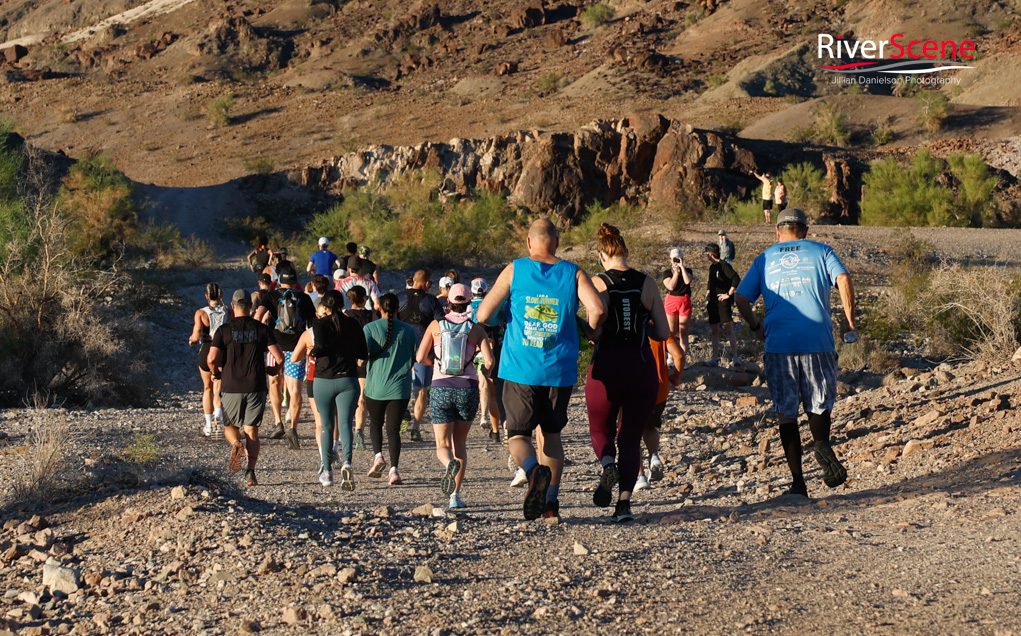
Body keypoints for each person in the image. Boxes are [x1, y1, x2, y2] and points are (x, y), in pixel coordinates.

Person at [476, 218, 606, 521]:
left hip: (520, 368)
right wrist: (591, 331)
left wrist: (499, 320)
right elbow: (597, 308)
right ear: (557, 242)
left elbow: (484, 313)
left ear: (529, 242)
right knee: (552, 434)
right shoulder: (573, 272)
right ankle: (550, 503)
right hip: (558, 370)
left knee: (518, 435)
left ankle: (533, 472)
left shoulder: (515, 269)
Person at [735, 208, 857, 497]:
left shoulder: (764, 258)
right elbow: (843, 279)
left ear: (777, 232)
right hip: (818, 341)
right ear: (805, 230)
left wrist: (755, 326)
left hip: (779, 345)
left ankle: (798, 485)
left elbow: (741, 297)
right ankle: (821, 443)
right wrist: (850, 322)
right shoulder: (822, 251)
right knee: (818, 403)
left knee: (786, 413)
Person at [585, 223, 670, 522]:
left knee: (600, 429)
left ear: (601, 256)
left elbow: (594, 334)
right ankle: (624, 504)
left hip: (606, 367)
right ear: (626, 252)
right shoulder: (647, 283)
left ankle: (608, 465)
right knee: (631, 439)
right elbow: (663, 331)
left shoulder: (596, 283)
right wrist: (639, 324)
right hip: (641, 366)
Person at [416, 283, 494, 509]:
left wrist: (436, 365)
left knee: (442, 443)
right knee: (459, 441)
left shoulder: (435, 325)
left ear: (447, 302)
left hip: (440, 387)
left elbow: (421, 357)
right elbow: (489, 362)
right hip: (468, 388)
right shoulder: (476, 329)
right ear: (468, 303)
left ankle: (449, 463)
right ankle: (455, 498)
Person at [291, 289, 367, 489]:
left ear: (324, 307)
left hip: (323, 380)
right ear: (343, 305)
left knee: (325, 426)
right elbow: (362, 352)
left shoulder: (319, 324)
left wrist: (316, 350)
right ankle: (347, 463)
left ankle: (327, 472)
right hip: (348, 380)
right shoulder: (353, 323)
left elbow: (321, 344)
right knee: (345, 425)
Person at [207, 290, 284, 487]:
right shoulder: (262, 329)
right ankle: (250, 473)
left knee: (230, 427)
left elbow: (211, 358)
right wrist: (274, 369)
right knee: (252, 431)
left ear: (232, 307)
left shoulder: (224, 330)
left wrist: (216, 372)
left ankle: (236, 444)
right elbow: (280, 357)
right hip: (256, 386)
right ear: (251, 307)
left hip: (231, 385)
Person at [258, 267, 316, 448]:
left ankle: (277, 422)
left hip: (274, 347)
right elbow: (312, 325)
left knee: (274, 383)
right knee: (295, 390)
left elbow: (259, 315)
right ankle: (293, 428)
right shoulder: (304, 298)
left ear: (279, 280)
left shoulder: (270, 296)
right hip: (296, 348)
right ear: (296, 280)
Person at [363, 294, 418, 485]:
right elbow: (415, 357)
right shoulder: (409, 330)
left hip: (375, 386)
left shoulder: (369, 328)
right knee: (393, 430)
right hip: (400, 388)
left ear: (379, 308)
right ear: (397, 309)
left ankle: (378, 456)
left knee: (376, 423)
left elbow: (362, 355)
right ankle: (394, 470)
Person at [399, 268, 445, 441]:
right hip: (424, 351)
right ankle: (416, 428)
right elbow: (441, 325)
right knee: (421, 390)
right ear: (427, 284)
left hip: (401, 349)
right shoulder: (431, 300)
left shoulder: (399, 297)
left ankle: (401, 413)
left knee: (400, 386)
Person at [635, 333, 684, 491]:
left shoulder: (627, 324)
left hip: (636, 388)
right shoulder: (660, 326)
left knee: (632, 434)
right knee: (650, 427)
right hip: (659, 390)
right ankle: (654, 456)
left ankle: (640, 476)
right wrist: (676, 376)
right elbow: (679, 355)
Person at [188, 283, 230, 437]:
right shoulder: (228, 312)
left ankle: (208, 424)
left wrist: (192, 341)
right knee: (218, 388)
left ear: (206, 296)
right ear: (222, 295)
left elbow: (197, 333)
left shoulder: (201, 313)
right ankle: (218, 418)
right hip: (223, 351)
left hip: (207, 349)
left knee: (207, 388)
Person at [469, 277, 503, 442]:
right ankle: (497, 430)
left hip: (475, 354)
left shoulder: (469, 309)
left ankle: (483, 417)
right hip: (497, 354)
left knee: (483, 388)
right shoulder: (496, 308)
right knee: (495, 394)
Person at [345, 286, 378, 450]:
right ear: (364, 298)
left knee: (346, 398)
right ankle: (359, 431)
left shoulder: (345, 316)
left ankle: (346, 431)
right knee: (362, 398)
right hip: (365, 360)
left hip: (347, 361)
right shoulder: (371, 316)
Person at [704, 243, 742, 367]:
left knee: (728, 328)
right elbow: (711, 282)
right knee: (715, 330)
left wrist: (728, 294)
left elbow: (736, 278)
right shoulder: (712, 267)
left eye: (707, 254)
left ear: (711, 254)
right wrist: (708, 292)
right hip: (713, 301)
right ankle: (714, 358)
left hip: (723, 301)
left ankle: (735, 357)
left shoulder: (724, 266)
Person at [662, 247, 693, 369]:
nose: (675, 261)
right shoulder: (667, 272)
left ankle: (682, 358)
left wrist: (682, 268)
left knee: (683, 332)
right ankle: (671, 357)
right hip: (672, 301)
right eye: (674, 259)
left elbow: (687, 281)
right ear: (670, 260)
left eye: (678, 258)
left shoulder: (688, 270)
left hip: (684, 301)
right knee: (671, 332)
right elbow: (670, 286)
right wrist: (675, 273)